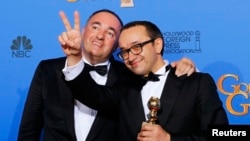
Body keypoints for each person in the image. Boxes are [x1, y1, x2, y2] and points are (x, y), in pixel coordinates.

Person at [18, 9, 196, 141]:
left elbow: (157, 73)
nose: (101, 36)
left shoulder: (130, 75)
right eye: (95, 27)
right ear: (84, 31)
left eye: (111, 33)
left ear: (118, 44)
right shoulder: (48, 70)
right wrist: (73, 58)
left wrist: (178, 69)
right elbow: (29, 128)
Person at [65, 20, 229, 141]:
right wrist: (74, 57)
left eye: (137, 47)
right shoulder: (124, 87)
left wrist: (169, 139)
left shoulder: (197, 83)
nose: (130, 57)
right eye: (124, 52)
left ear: (157, 45)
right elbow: (89, 93)